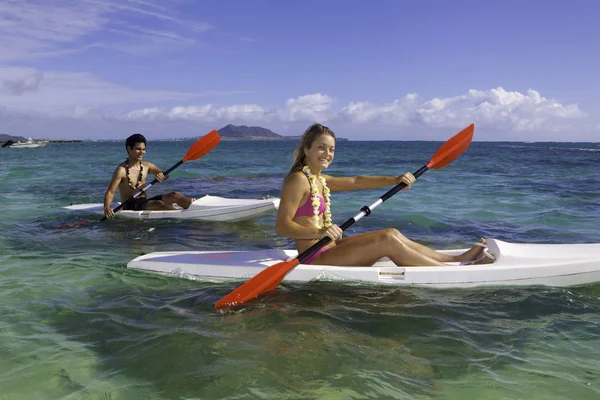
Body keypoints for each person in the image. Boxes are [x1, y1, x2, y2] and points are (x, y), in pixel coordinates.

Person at [275, 123, 495, 267]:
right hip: (314, 258)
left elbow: (356, 181)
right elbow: (282, 226)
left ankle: (456, 258)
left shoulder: (319, 179)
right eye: (321, 148)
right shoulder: (298, 180)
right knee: (386, 240)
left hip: (331, 248)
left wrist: (395, 179)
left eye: (331, 149)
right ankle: (450, 271)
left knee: (392, 232)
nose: (327, 154)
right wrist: (321, 230)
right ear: (307, 149)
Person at [103, 133, 195, 218]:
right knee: (157, 204)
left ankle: (195, 206)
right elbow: (110, 192)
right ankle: (183, 217)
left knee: (175, 195)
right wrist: (107, 208)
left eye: (143, 149)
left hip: (144, 201)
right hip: (130, 204)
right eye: (138, 149)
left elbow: (165, 175)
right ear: (129, 149)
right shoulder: (121, 170)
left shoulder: (147, 166)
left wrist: (161, 176)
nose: (142, 152)